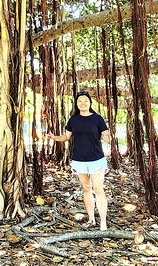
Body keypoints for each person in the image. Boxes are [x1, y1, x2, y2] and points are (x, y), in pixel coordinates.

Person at [46, 91, 111, 230]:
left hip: (96, 159)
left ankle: (103, 222)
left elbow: (105, 135)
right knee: (86, 189)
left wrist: (107, 137)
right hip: (79, 159)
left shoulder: (98, 119)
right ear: (76, 104)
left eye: (85, 101)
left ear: (90, 103)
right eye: (80, 101)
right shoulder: (73, 120)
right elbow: (66, 137)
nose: (83, 103)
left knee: (98, 189)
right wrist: (54, 137)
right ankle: (91, 219)